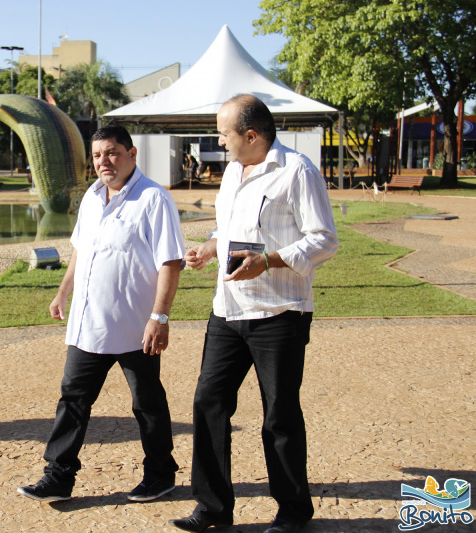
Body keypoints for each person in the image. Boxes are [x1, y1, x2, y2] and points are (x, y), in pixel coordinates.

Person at [169, 95, 338, 533]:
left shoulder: (297, 171)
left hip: (280, 312)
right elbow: (231, 227)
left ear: (251, 135)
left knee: (279, 414)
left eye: (224, 133)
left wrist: (269, 261)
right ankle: (212, 508)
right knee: (208, 403)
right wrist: (210, 247)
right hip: (227, 309)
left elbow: (324, 240)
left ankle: (294, 513)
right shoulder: (230, 171)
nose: (219, 142)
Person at [18, 124, 186, 503]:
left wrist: (159, 317)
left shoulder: (153, 199)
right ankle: (58, 476)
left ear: (131, 154)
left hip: (134, 325)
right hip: (88, 324)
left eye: (111, 152)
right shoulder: (92, 198)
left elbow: (170, 262)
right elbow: (80, 249)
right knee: (72, 399)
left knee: (147, 403)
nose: (103, 162)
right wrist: (63, 292)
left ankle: (161, 475)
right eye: (96, 155)